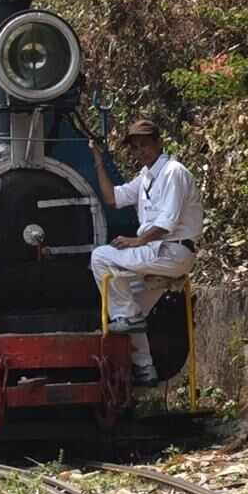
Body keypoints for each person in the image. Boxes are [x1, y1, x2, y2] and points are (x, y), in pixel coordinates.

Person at [88, 119, 204, 387]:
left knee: (101, 257)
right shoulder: (145, 177)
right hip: (157, 252)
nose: (141, 151)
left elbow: (167, 223)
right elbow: (112, 198)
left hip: (172, 250)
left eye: (145, 145)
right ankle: (145, 367)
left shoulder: (174, 172)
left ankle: (127, 317)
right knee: (132, 310)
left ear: (159, 143)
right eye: (136, 147)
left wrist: (137, 241)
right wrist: (98, 161)